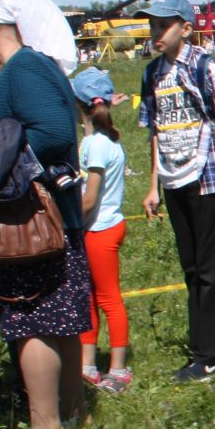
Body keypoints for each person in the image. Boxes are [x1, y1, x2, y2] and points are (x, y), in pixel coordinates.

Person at [0, 0, 90, 429]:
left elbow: (52, 133)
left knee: (30, 320)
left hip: (28, 222)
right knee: (60, 320)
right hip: (52, 218)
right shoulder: (33, 67)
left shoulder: (24, 69)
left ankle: (44, 426)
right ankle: (72, 416)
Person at [137, 0, 215, 382]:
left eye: (163, 25)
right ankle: (201, 349)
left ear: (186, 28)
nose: (156, 33)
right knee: (190, 268)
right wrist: (153, 186)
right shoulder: (151, 74)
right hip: (173, 178)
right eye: (152, 25)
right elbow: (154, 130)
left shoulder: (206, 66)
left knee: (210, 269)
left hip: (209, 176)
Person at [70, 68, 131, 392]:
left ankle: (118, 370)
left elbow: (90, 197)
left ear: (79, 103)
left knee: (107, 299)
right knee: (89, 299)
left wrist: (66, 221)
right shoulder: (106, 139)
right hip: (101, 228)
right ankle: (87, 365)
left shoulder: (95, 144)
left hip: (99, 230)